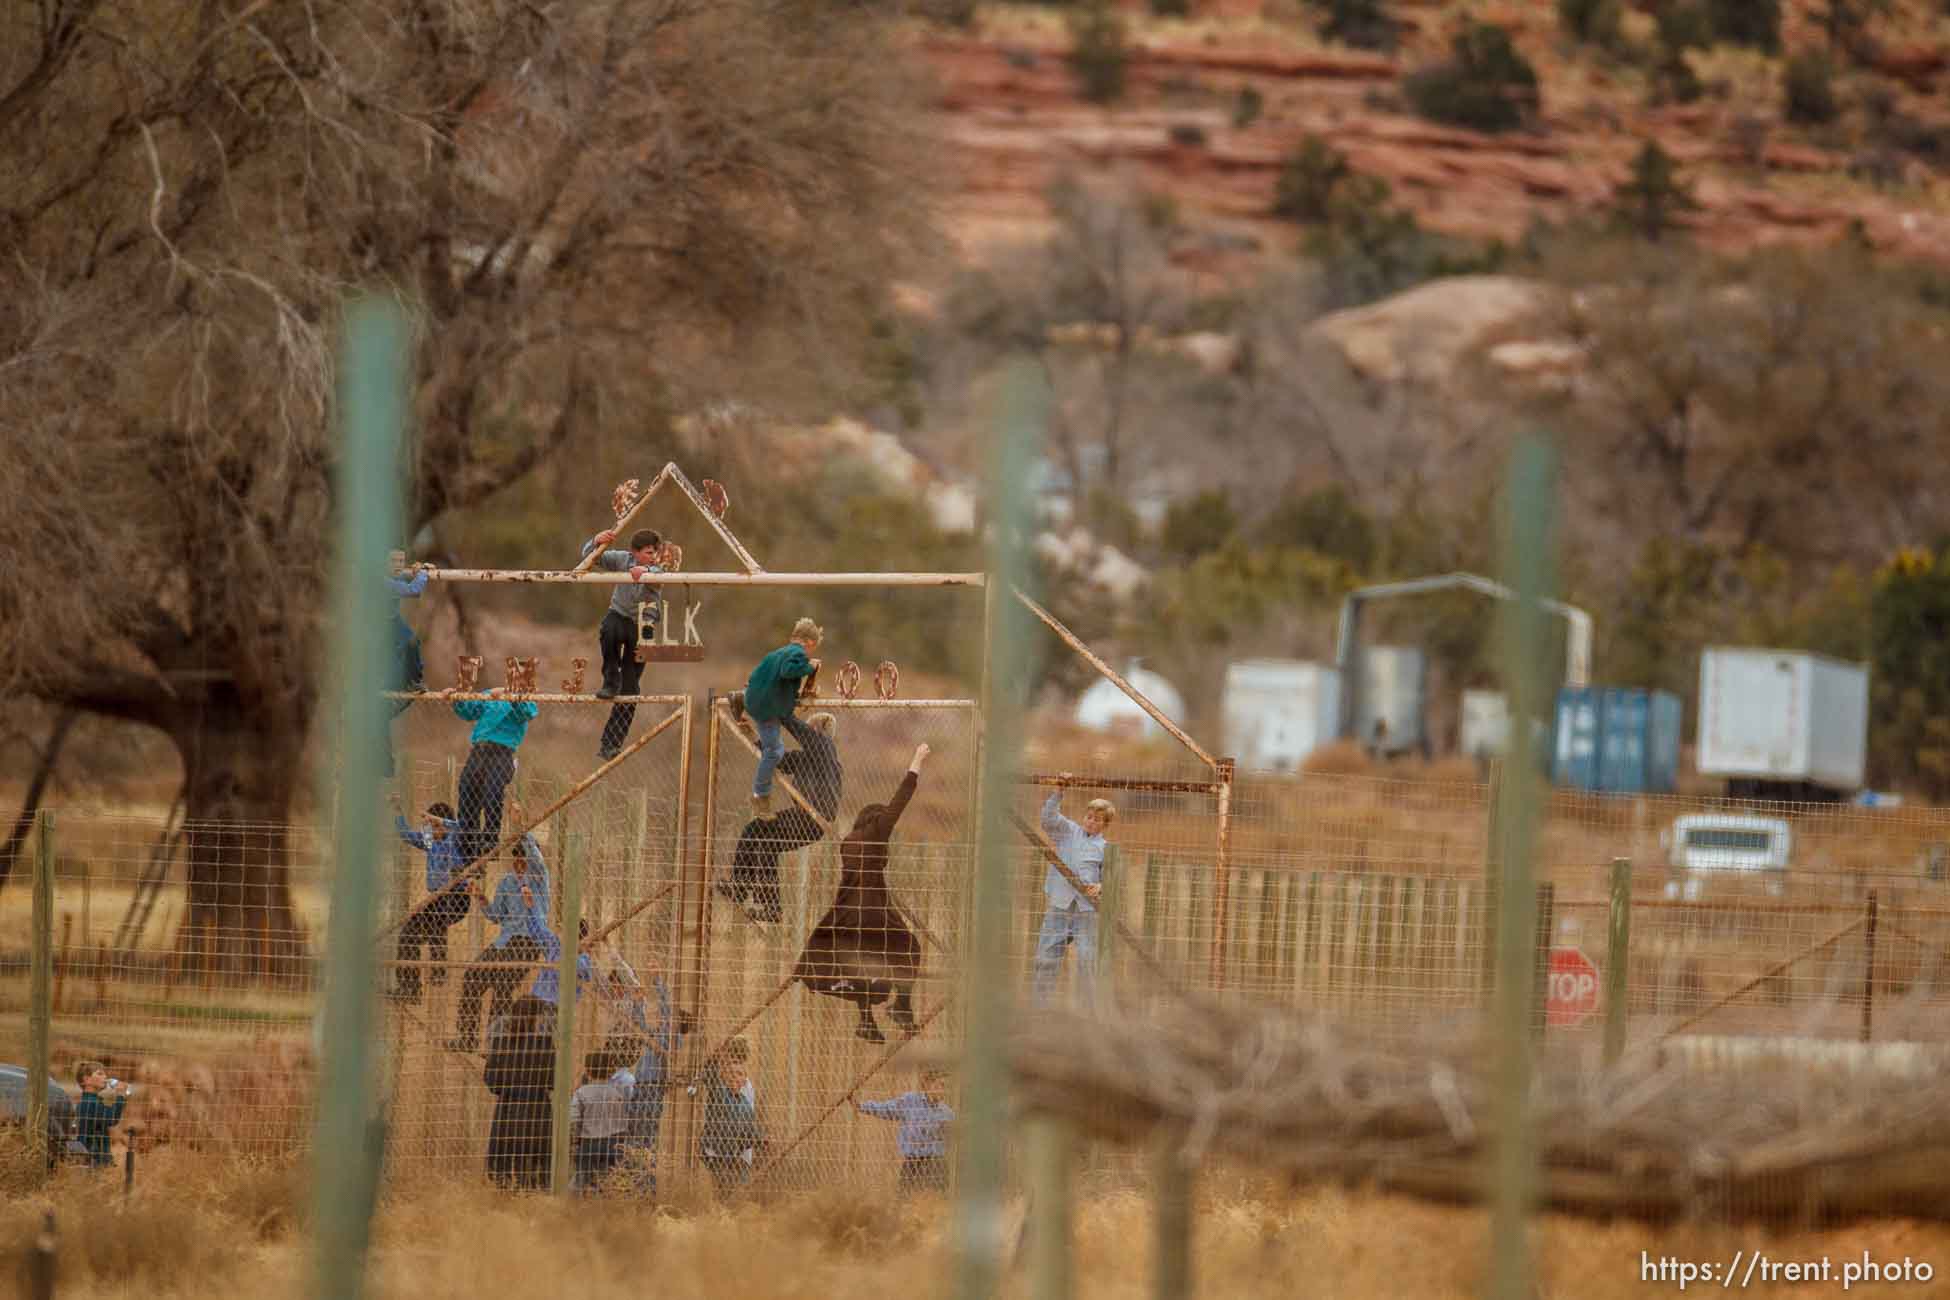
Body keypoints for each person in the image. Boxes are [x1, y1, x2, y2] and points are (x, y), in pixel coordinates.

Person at [792, 743, 930, 1042]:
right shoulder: (876, 833)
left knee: (863, 967)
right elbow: (900, 801)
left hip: (845, 914)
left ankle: (866, 1021)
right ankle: (902, 1006)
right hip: (871, 912)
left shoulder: (849, 841)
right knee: (910, 948)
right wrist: (916, 761)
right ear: (876, 821)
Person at [723, 711, 841, 923]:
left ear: (816, 732)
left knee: (763, 837)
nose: (805, 733)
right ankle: (749, 893)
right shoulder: (808, 758)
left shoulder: (825, 749)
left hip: (812, 818)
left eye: (809, 729)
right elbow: (777, 758)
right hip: (803, 816)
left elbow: (801, 732)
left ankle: (749, 893)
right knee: (757, 833)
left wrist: (779, 708)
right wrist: (752, 736)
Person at [450, 832, 550, 1053]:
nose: (518, 862)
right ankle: (468, 1037)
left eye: (523, 858)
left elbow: (537, 860)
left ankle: (494, 1043)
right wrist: (480, 896)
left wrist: (522, 829)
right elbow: (496, 915)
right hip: (503, 943)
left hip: (527, 942)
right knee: (472, 977)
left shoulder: (539, 879)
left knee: (503, 985)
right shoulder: (507, 881)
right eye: (516, 858)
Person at [578, 526, 667, 760]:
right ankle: (610, 677)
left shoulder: (657, 566)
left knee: (631, 689)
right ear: (634, 552)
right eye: (648, 552)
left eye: (655, 552)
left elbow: (657, 578)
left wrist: (646, 570)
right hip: (619, 615)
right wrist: (595, 540)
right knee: (609, 629)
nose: (653, 556)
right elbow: (589, 558)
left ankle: (610, 743)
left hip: (643, 622)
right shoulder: (621, 559)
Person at [1031, 780, 1117, 1005]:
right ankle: (1040, 1008)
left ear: (1105, 824)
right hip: (1060, 905)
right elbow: (1048, 819)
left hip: (1086, 911)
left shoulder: (1106, 849)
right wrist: (1059, 792)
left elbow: (1110, 880)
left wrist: (1100, 887)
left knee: (1087, 961)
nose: (1091, 821)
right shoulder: (1068, 831)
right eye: (1089, 816)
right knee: (1046, 957)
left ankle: (1086, 1012)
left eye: (1097, 819)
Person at [618, 961, 692, 1195]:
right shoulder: (656, 1036)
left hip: (652, 1091)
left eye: (668, 1019)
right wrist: (638, 1002)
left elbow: (668, 1011)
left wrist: (658, 981)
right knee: (634, 1138)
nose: (662, 1018)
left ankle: (645, 1188)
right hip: (641, 1089)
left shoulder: (672, 1041)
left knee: (646, 1140)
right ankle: (630, 1183)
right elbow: (639, 1027)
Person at [734, 618, 822, 814]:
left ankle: (741, 698)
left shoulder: (776, 653)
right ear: (810, 643)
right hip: (767, 708)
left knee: (775, 748)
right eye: (813, 648)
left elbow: (758, 675)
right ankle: (760, 795)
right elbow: (788, 671)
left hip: (755, 700)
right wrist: (810, 667)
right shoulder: (798, 653)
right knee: (774, 751)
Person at [387, 799, 467, 1002]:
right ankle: (411, 986)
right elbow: (407, 835)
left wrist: (440, 820)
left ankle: (438, 968)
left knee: (434, 921)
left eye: (436, 825)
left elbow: (461, 826)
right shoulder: (431, 842)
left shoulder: (456, 840)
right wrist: (398, 812)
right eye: (431, 826)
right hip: (437, 899)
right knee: (409, 934)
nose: (433, 830)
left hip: (456, 897)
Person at [452, 687, 539, 864]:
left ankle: (490, 840)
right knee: (467, 792)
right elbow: (470, 711)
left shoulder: (525, 698)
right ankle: (468, 846)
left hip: (502, 752)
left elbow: (528, 712)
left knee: (492, 793)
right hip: (479, 750)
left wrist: (513, 698)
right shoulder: (491, 693)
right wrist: (457, 699)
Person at [484, 995, 556, 1189]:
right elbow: (553, 1081)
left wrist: (509, 1087)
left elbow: (492, 1083)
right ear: (535, 1018)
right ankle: (532, 1191)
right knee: (535, 1164)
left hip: (508, 1109)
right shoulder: (545, 1045)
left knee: (506, 1161)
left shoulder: (500, 1044)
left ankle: (506, 1192)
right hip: (538, 1109)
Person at [855, 1067, 953, 1196]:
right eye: (941, 1085)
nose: (944, 1090)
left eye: (947, 1087)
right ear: (929, 1084)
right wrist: (861, 1106)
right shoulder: (910, 1101)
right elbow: (886, 1109)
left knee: (934, 1202)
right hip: (912, 1163)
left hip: (935, 1164)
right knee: (904, 1201)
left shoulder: (947, 1113)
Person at [698, 1036, 763, 1197]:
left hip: (736, 1146)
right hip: (723, 1147)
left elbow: (745, 1121)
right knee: (725, 1186)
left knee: (732, 1187)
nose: (735, 1076)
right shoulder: (728, 1086)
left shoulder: (740, 1088)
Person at [383, 564, 429, 777]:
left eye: (401, 559)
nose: (397, 564)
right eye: (393, 559)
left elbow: (399, 575)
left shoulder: (390, 574)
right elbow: (413, 590)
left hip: (391, 622)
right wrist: (422, 574)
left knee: (411, 643)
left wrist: (414, 569)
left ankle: (413, 679)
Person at [570, 1049, 632, 1194]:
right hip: (612, 1143)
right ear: (610, 1071)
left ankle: (570, 1205)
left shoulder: (581, 1092)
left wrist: (575, 1139)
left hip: (589, 1143)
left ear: (588, 1071)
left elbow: (574, 1120)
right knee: (608, 1179)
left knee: (581, 1179)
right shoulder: (616, 1093)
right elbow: (622, 1123)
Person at [73, 1060, 129, 1169]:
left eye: (105, 1073)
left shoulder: (90, 1102)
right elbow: (112, 1119)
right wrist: (120, 1095)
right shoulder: (90, 1104)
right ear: (87, 1079)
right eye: (100, 1073)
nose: (105, 1077)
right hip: (94, 1160)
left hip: (92, 1158)